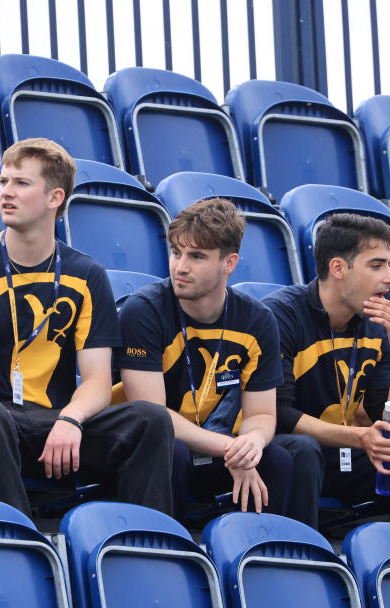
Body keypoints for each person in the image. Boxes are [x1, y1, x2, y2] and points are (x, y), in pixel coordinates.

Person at [0, 137, 173, 516]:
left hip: (49, 421)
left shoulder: (86, 274)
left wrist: (72, 418)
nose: (6, 192)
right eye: (3, 182)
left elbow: (97, 381)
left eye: (21, 183)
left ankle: (146, 543)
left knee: (149, 421)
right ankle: (18, 547)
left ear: (56, 198)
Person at [263, 213, 390, 542]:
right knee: (302, 450)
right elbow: (280, 416)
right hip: (281, 453)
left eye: (389, 264)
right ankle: (302, 562)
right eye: (377, 265)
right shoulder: (280, 315)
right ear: (339, 268)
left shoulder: (375, 322)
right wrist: (360, 438)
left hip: (339, 454)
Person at [116, 198, 320, 523]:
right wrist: (231, 449)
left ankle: (263, 554)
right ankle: (169, 553)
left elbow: (263, 413)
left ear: (229, 263)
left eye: (196, 256)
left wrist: (250, 444)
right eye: (176, 252)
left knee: (280, 459)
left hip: (219, 445)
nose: (180, 267)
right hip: (157, 445)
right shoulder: (144, 310)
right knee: (171, 451)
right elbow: (152, 415)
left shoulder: (257, 320)